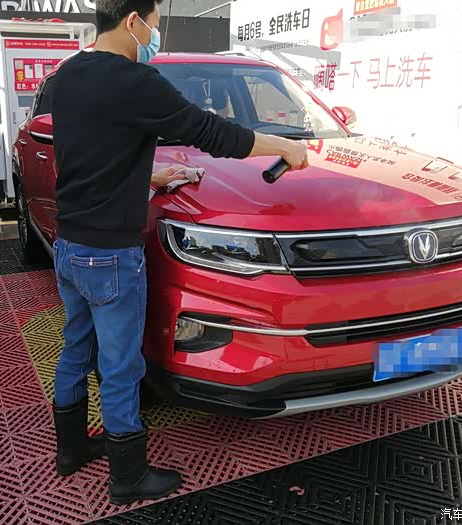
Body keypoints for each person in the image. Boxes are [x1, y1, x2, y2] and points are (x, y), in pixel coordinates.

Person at [48, 0, 309, 506]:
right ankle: (127, 475)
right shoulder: (135, 82)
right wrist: (282, 145)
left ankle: (71, 449)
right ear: (132, 21)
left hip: (70, 245)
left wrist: (148, 178)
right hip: (111, 254)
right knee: (121, 365)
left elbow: (92, 156)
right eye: (154, 25)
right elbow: (210, 132)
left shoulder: (69, 75)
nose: (154, 37)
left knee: (76, 348)